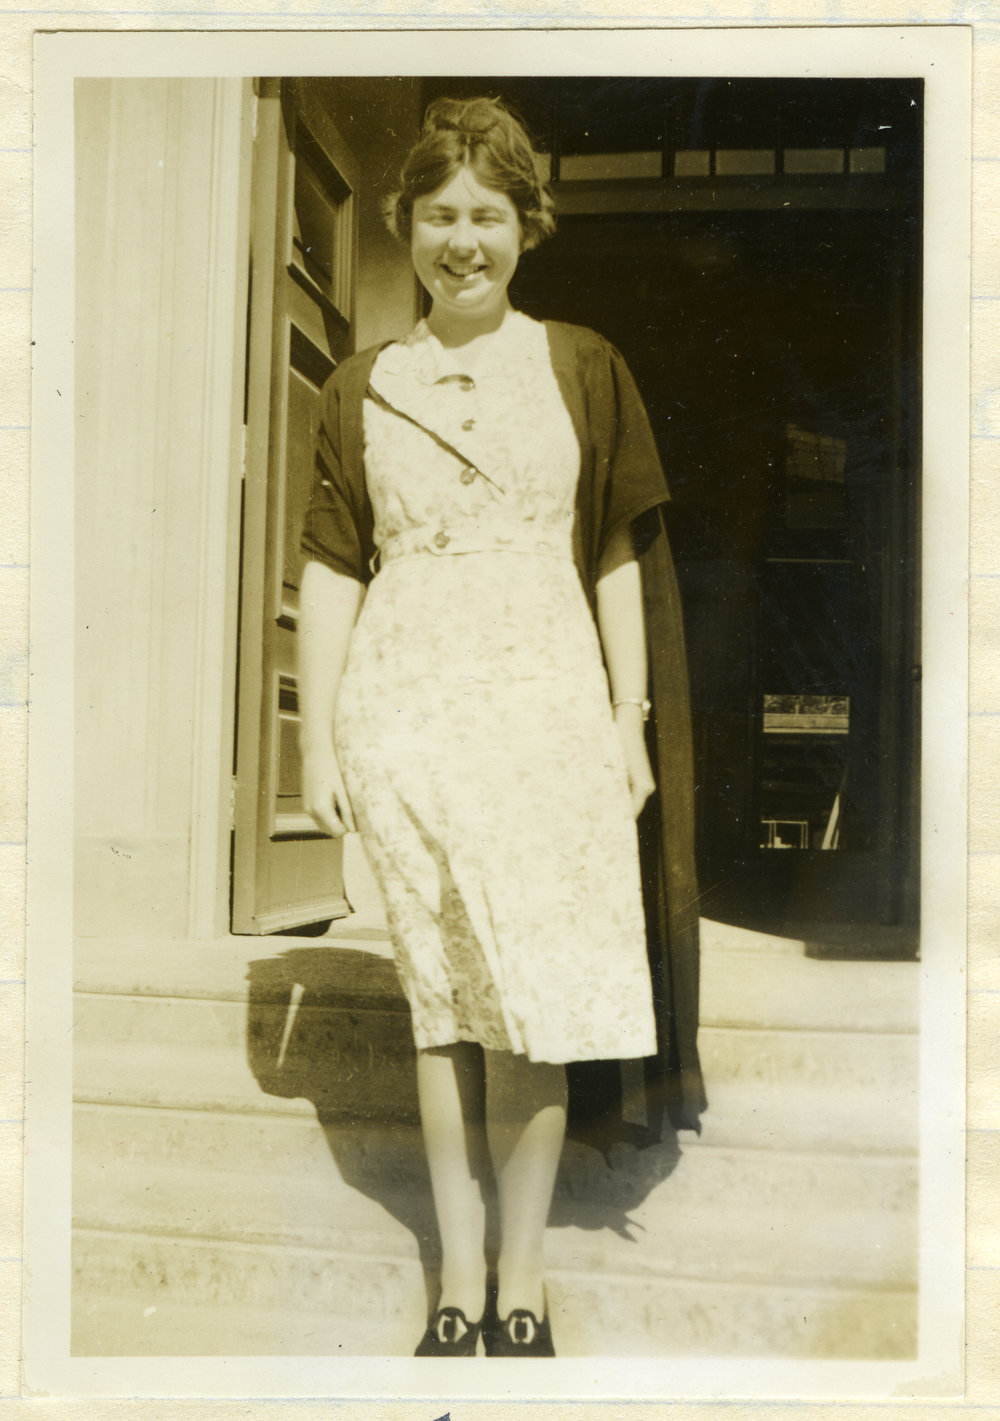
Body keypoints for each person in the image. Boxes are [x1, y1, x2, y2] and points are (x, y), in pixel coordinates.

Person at [299, 95, 704, 1359]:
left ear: (526, 225)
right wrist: (318, 744)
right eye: (436, 216)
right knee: (446, 1005)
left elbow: (617, 560)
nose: (459, 240)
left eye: (485, 214)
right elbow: (331, 569)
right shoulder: (363, 387)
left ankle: (521, 1276)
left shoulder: (582, 363)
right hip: (406, 711)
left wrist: (627, 720)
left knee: (534, 994)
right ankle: (457, 1280)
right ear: (403, 225)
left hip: (544, 714)